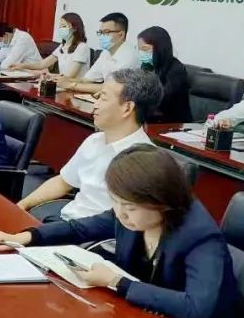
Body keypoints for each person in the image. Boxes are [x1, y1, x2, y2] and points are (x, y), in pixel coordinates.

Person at [0, 145, 241, 318]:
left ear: (163, 202)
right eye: (115, 202)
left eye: (129, 207)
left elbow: (196, 308)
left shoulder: (201, 237)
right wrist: (26, 237)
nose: (120, 213)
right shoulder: (130, 212)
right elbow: (80, 228)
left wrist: (117, 282)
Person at [19, 69, 161, 222]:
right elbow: (63, 181)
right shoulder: (94, 140)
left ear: (127, 108)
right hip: (67, 220)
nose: (95, 105)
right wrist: (22, 205)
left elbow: (122, 223)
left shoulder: (142, 161)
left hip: (93, 232)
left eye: (103, 98)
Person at [58, 12, 139, 94]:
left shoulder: (129, 57)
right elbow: (86, 80)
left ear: (121, 35)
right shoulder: (106, 52)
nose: (102, 36)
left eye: (106, 32)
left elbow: (111, 88)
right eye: (100, 32)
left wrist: (70, 85)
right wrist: (61, 80)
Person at [8, 13, 89, 79]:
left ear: (75, 28)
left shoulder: (82, 47)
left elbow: (70, 76)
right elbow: (42, 64)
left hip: (75, 87)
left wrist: (50, 76)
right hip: (62, 84)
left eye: (64, 26)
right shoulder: (62, 46)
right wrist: (22, 65)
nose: (61, 29)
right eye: (60, 27)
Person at [137, 26, 191, 123]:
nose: (141, 53)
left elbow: (161, 101)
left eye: (145, 49)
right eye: (139, 49)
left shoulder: (176, 70)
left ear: (159, 49)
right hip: (149, 120)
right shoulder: (146, 66)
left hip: (172, 123)